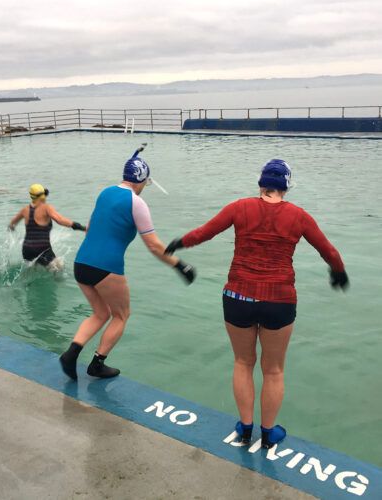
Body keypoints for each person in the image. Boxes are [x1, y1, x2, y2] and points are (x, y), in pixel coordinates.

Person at [164, 159, 348, 449]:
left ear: (260, 183)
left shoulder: (239, 207)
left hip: (238, 297)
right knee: (273, 370)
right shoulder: (299, 216)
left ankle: (246, 428)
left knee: (242, 362)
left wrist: (179, 243)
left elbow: (205, 232)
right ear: (286, 187)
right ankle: (268, 433)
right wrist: (338, 272)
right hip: (279, 300)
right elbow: (330, 251)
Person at [59, 146, 196, 381]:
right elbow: (153, 245)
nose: (145, 188)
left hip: (81, 263)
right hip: (107, 267)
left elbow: (91, 228)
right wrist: (179, 265)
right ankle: (97, 364)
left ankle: (71, 354)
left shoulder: (105, 192)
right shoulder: (137, 203)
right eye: (145, 183)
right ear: (141, 179)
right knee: (121, 315)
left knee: (100, 313)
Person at [8, 184, 86, 267]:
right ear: (43, 195)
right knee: (59, 266)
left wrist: (13, 232)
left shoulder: (25, 210)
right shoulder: (46, 208)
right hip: (42, 249)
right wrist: (82, 228)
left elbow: (11, 224)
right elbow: (60, 220)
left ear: (31, 196)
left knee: (33, 269)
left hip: (27, 250)